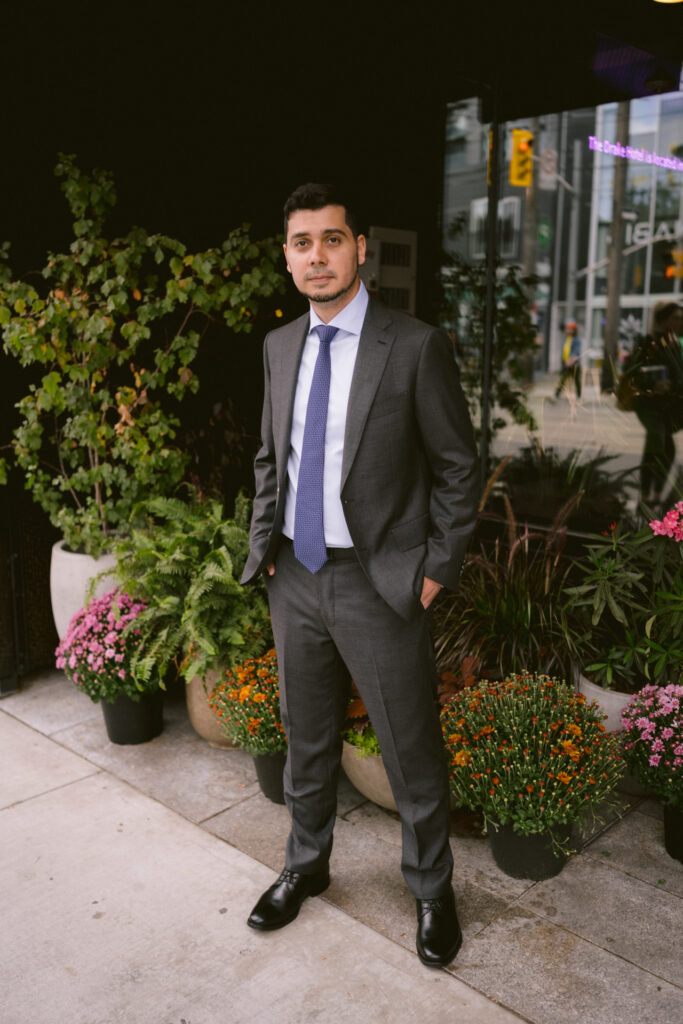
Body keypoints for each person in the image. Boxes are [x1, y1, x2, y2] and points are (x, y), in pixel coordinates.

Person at [240, 183, 479, 968]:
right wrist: (264, 544)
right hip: (295, 577)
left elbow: (455, 467)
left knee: (409, 749)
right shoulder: (279, 347)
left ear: (359, 248)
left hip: (381, 582)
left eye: (331, 240)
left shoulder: (411, 346)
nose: (317, 256)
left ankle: (431, 889)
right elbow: (271, 457)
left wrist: (434, 571)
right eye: (301, 243)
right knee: (304, 740)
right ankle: (304, 867)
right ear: (286, 256)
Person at [623, 301, 683, 507]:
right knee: (658, 443)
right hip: (649, 404)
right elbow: (633, 372)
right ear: (663, 320)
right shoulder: (649, 342)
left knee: (664, 448)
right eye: (676, 317)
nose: (680, 322)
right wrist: (653, 383)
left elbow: (678, 375)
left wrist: (673, 385)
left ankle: (652, 492)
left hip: (666, 405)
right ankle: (647, 493)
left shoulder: (674, 344)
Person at [554, 320, 582, 398]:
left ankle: (579, 395)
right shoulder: (566, 339)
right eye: (567, 328)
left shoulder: (576, 340)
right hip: (566, 364)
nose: (568, 330)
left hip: (574, 364)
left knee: (577, 381)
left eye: (570, 329)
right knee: (563, 380)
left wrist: (571, 360)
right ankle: (556, 394)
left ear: (574, 330)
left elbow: (576, 352)